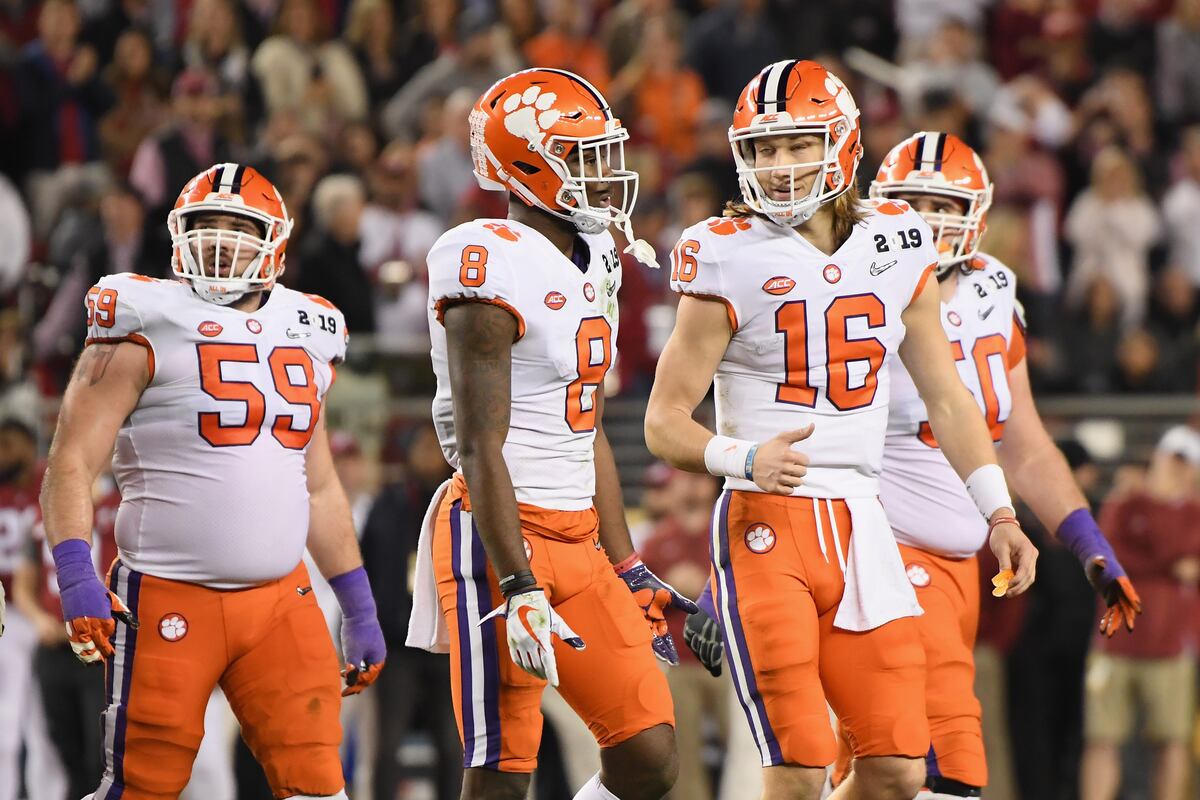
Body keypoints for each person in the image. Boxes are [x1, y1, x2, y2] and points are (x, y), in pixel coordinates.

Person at [643, 61, 1038, 800]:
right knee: (795, 769)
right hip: (768, 524)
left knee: (894, 770)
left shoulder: (898, 239)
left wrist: (1000, 511)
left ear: (844, 143)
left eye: (797, 144)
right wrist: (743, 456)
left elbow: (949, 399)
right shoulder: (724, 250)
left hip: (863, 523)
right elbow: (663, 421)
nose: (779, 166)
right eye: (763, 149)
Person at [38, 163, 386, 800]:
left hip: (283, 603)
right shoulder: (143, 316)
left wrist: (359, 604)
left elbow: (319, 486)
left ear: (276, 239)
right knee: (143, 787)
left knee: (319, 787)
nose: (220, 241)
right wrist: (75, 573)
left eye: (238, 227)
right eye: (205, 225)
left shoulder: (309, 327)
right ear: (177, 233)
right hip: (168, 596)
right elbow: (70, 462)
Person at [409, 67, 693, 800]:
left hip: (578, 535)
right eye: (584, 154)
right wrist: (516, 583)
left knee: (650, 753)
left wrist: (627, 564)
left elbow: (586, 420)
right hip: (496, 532)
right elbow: (480, 446)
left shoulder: (596, 251)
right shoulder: (485, 258)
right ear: (527, 162)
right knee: (504, 766)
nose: (605, 172)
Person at [840, 132, 1138, 799]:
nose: (923, 217)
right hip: (880, 549)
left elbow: (1023, 442)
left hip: (960, 567)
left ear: (976, 211)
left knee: (942, 776)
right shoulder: (853, 290)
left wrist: (1088, 543)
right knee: (920, 762)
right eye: (908, 201)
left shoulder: (994, 288)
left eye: (940, 202)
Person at [1080, 425, 1200, 800]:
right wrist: (1168, 563)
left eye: (1185, 463)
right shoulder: (1123, 503)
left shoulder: (1191, 510)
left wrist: (1156, 514)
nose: (1175, 470)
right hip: (1114, 642)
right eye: (1171, 460)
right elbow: (1104, 561)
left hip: (1170, 645)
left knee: (1172, 741)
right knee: (1101, 739)